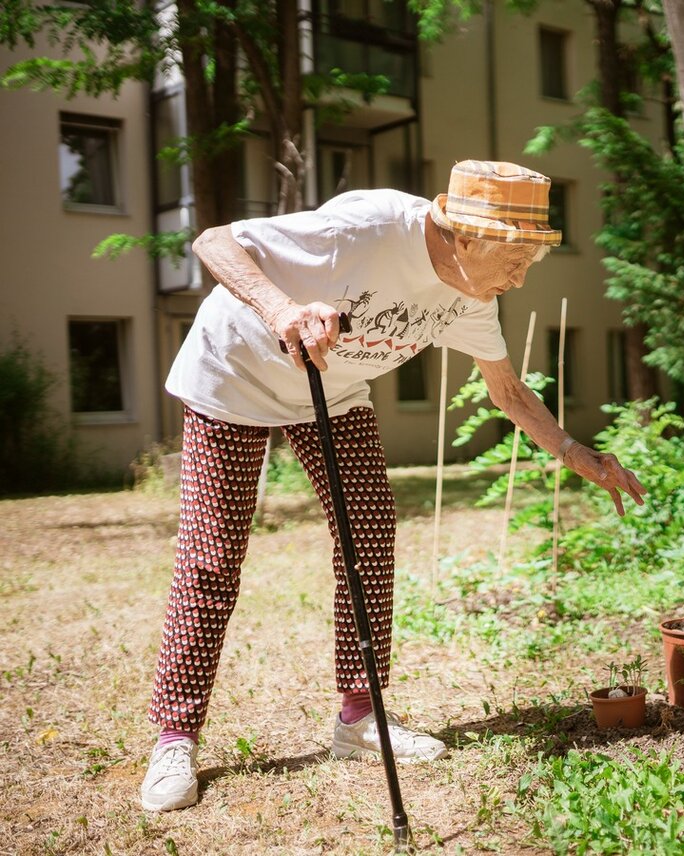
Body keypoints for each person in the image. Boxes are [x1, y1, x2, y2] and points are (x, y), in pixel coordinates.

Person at [140, 160, 647, 812]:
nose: (521, 276)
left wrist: (575, 451)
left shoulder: (471, 296)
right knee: (213, 559)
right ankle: (175, 738)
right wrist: (281, 307)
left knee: (371, 537)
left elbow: (509, 392)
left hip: (335, 392)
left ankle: (359, 719)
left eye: (530, 260)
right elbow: (214, 240)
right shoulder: (370, 225)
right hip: (233, 377)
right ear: (464, 236)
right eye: (515, 258)